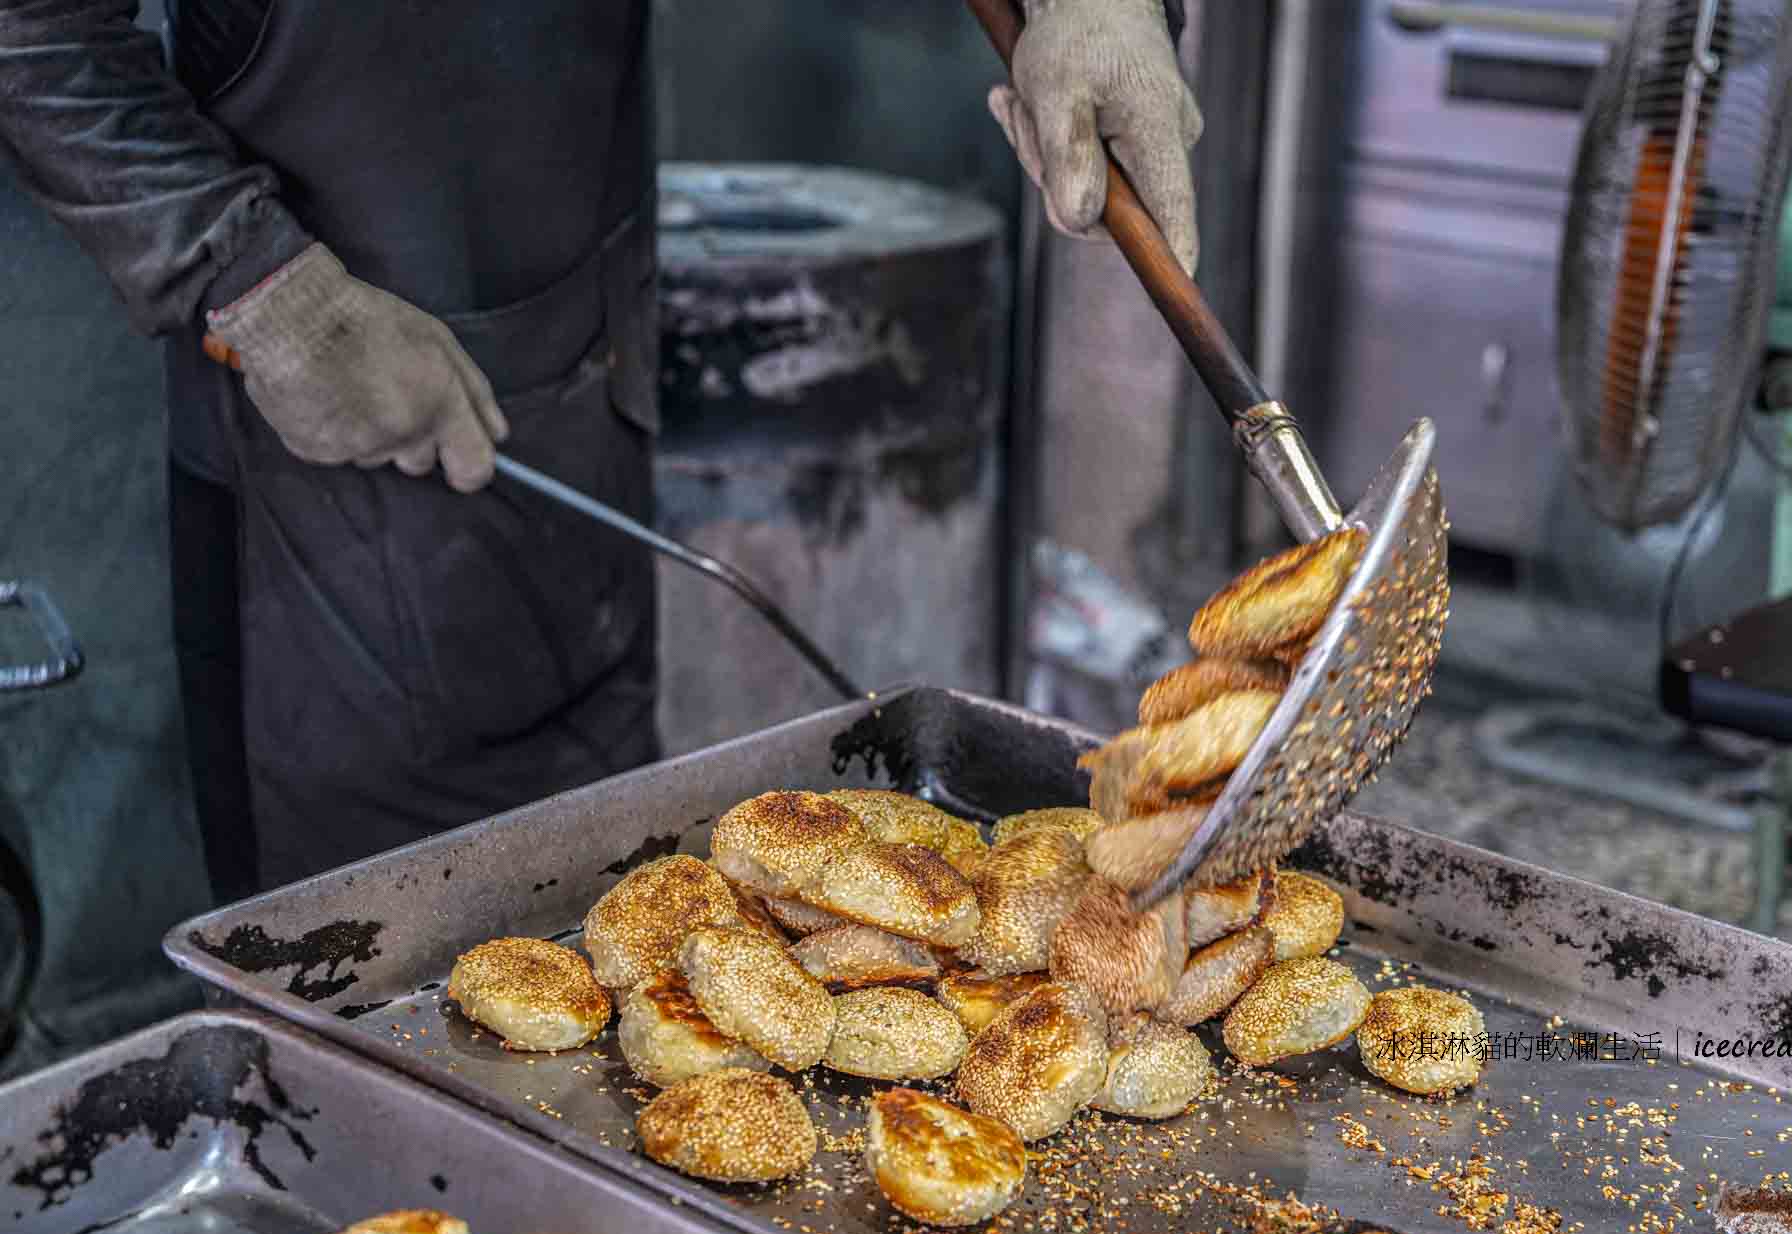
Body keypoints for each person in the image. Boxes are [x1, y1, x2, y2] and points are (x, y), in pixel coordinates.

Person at [0, 0, 1203, 900]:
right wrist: (248, 278)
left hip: (568, 367)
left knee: (584, 937)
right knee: (377, 983)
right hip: (333, 409)